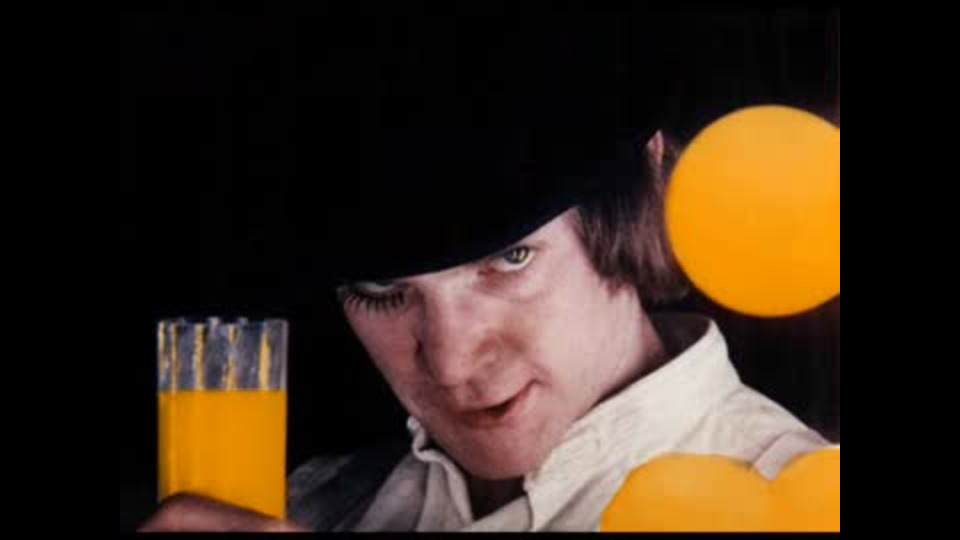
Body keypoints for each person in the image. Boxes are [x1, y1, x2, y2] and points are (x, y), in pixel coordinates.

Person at [139, 13, 834, 532]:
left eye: (511, 258)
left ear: (639, 198)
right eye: (382, 291)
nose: (450, 361)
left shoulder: (801, 506)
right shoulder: (312, 504)